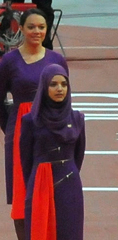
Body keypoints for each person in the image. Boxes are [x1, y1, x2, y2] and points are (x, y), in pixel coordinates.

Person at [0, 8, 68, 240]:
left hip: (52, 131)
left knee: (52, 188)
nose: (36, 31)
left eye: (41, 27)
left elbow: (65, 97)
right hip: (20, 131)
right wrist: (12, 127)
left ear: (47, 29)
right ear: (22, 29)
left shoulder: (57, 60)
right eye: (31, 27)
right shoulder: (8, 61)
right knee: (22, 193)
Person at [19, 63, 85, 240]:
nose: (59, 89)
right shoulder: (30, 121)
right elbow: (25, 160)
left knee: (70, 232)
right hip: (40, 183)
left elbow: (78, 155)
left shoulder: (77, 118)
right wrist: (36, 183)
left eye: (64, 84)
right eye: (53, 84)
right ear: (44, 86)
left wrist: (67, 171)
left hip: (70, 185)